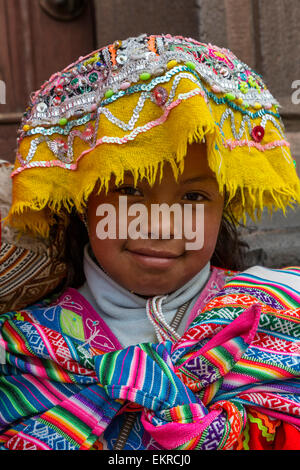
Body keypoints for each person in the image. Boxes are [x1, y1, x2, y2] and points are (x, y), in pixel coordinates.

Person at [0, 33, 300, 451]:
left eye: (193, 197)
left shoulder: (279, 314)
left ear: (223, 206)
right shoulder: (20, 349)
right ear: (82, 202)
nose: (159, 226)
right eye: (128, 192)